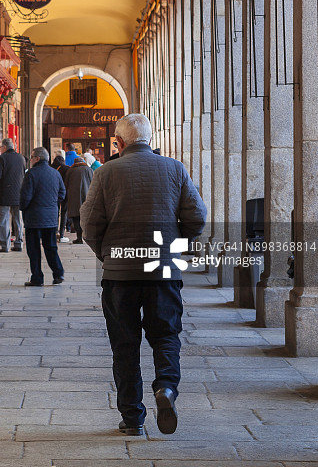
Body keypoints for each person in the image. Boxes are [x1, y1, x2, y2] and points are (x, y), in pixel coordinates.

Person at [81, 113, 206, 437]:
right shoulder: (175, 169)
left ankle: (133, 417)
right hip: (162, 270)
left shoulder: (105, 172)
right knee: (166, 335)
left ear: (119, 142)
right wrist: (172, 247)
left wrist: (108, 255)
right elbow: (197, 217)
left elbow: (90, 225)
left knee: (124, 345)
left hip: (120, 274)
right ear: (149, 139)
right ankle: (166, 387)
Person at [20, 146, 66, 286]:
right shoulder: (55, 173)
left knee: (33, 249)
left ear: (37, 158)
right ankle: (58, 273)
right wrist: (52, 204)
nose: (31, 160)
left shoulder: (31, 174)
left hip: (33, 217)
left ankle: (37, 278)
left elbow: (26, 196)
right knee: (51, 246)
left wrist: (23, 207)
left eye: (32, 157)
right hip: (51, 217)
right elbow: (62, 193)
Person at [0, 138, 26, 252]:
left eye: (0, 147)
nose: (0, 149)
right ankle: (19, 243)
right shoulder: (21, 158)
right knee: (18, 219)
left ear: (4, 147)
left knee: (3, 221)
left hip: (3, 194)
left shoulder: (2, 158)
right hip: (18, 194)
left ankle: (5, 245)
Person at [63, 154, 93, 244]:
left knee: (76, 218)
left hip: (74, 198)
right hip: (87, 197)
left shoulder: (70, 170)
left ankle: (79, 237)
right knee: (86, 217)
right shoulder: (88, 169)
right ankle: (87, 236)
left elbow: (66, 184)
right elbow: (93, 183)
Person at [52, 154, 70, 243]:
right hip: (65, 193)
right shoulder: (67, 169)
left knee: (55, 212)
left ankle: (55, 232)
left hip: (54, 193)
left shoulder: (51, 169)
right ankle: (62, 234)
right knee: (64, 213)